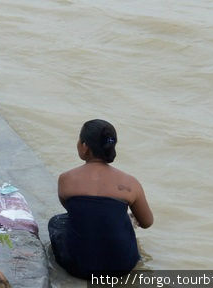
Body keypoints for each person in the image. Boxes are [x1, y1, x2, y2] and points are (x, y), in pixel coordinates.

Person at [48, 119, 153, 279]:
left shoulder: (66, 179)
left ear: (84, 146)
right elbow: (147, 222)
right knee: (121, 219)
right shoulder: (130, 183)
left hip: (79, 268)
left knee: (56, 222)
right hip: (123, 267)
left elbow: (75, 213)